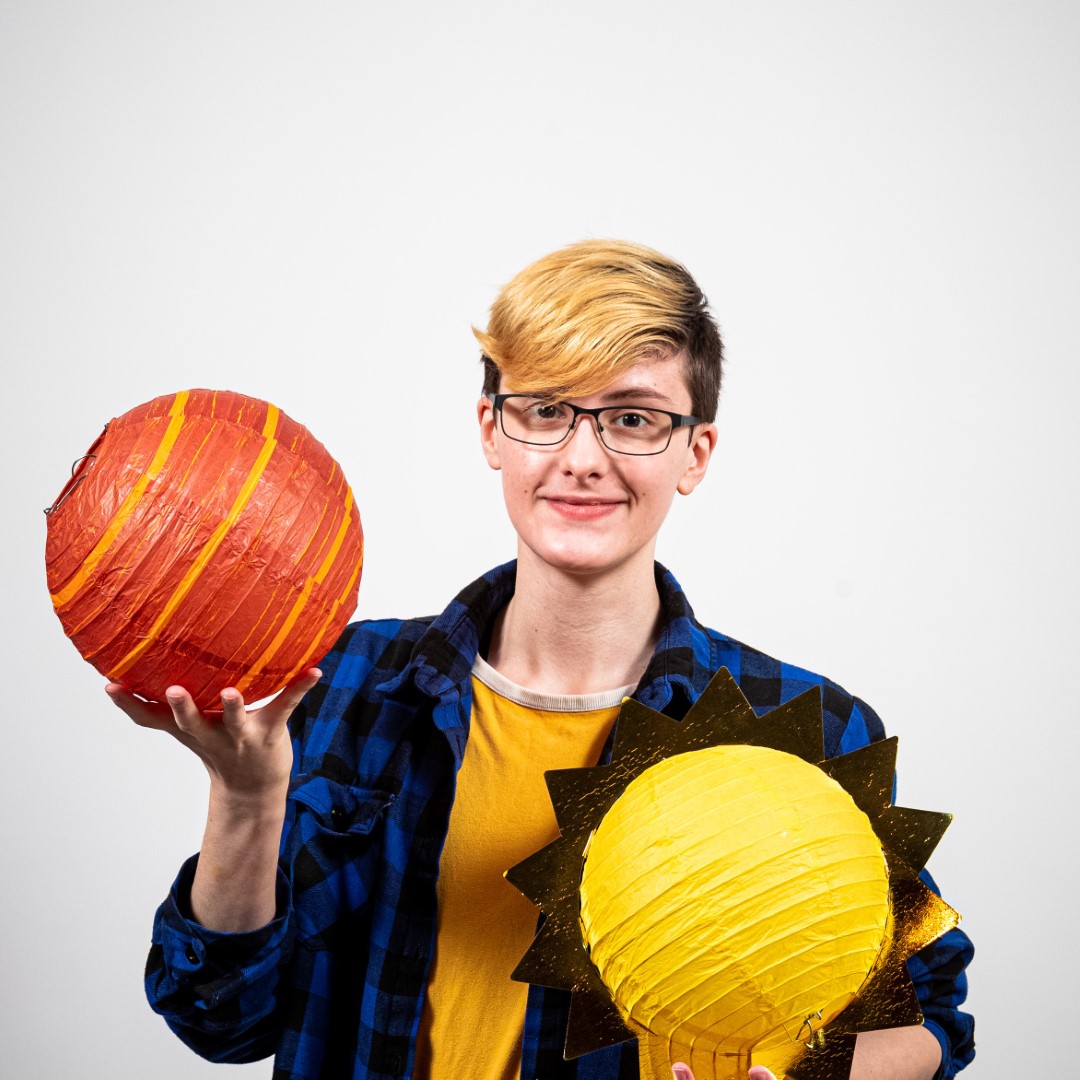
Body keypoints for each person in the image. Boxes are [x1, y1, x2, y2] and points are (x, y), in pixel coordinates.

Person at [107, 240, 974, 1080]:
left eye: (632, 419)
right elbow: (222, 1020)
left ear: (695, 453)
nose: (582, 459)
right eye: (546, 411)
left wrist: (800, 1075)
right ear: (493, 429)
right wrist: (245, 796)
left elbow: (930, 1018)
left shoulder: (804, 731)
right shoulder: (341, 684)